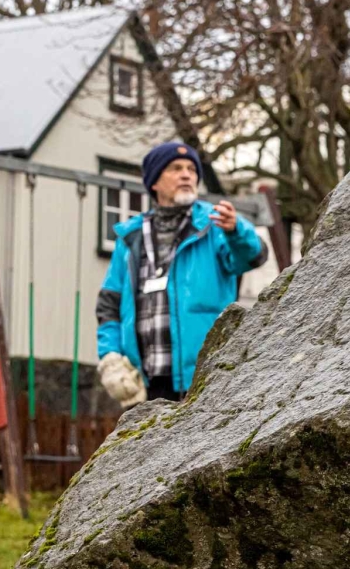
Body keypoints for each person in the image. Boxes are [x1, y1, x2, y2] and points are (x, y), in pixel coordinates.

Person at [96, 141, 268, 406]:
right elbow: (109, 305)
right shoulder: (130, 237)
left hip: (206, 379)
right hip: (145, 384)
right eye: (176, 169)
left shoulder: (215, 225)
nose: (187, 175)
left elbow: (253, 256)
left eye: (191, 169)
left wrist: (236, 231)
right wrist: (110, 358)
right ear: (154, 182)